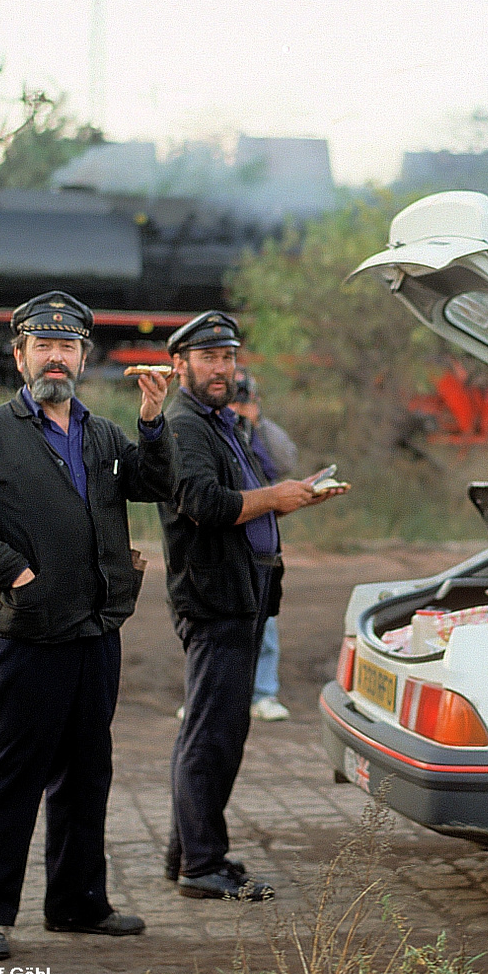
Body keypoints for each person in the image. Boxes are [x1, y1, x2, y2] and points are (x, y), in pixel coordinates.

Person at [0, 291, 174, 961]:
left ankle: (77, 903)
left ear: (83, 356)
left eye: (68, 346)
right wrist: (17, 574)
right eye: (44, 345)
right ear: (20, 357)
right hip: (27, 634)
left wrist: (153, 421)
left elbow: (154, 484)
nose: (57, 356)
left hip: (95, 631)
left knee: (86, 774)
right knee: (10, 776)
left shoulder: (100, 435)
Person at [158, 311, 345, 900]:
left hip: (244, 593)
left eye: (228, 357)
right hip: (215, 597)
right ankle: (201, 867)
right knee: (212, 734)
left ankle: (188, 852)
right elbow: (205, 503)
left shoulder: (220, 422)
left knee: (218, 731)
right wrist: (274, 497)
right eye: (209, 358)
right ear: (178, 365)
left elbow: (248, 497)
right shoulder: (184, 425)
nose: (222, 368)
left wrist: (292, 499)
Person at [230, 369, 297, 722]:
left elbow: (283, 462)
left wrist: (256, 422)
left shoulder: (258, 434)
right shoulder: (210, 430)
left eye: (243, 398)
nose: (237, 406)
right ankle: (210, 694)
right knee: (214, 631)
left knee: (264, 625)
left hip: (259, 546)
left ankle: (264, 693)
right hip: (224, 543)